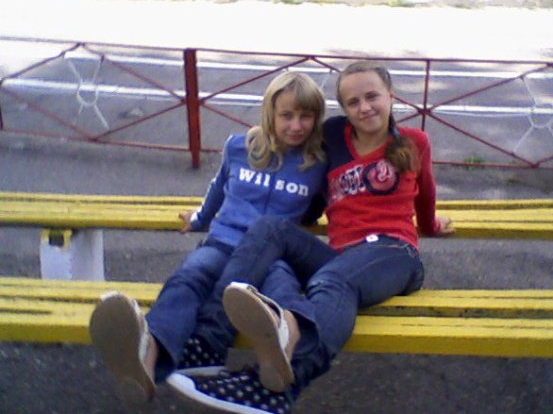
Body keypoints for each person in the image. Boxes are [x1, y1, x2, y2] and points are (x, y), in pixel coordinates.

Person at [167, 60, 455, 413]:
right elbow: (305, 175)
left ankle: (275, 389)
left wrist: (432, 225)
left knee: (332, 282)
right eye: (353, 102)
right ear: (344, 109)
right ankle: (208, 342)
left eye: (372, 97)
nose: (365, 107)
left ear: (391, 97)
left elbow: (426, 195)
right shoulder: (333, 136)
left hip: (393, 253)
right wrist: (206, 214)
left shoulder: (414, 142)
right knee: (270, 227)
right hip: (342, 258)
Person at [88, 71, 328, 404]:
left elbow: (322, 205)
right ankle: (148, 353)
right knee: (190, 277)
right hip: (224, 242)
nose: (296, 125)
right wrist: (199, 219)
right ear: (270, 113)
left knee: (281, 290)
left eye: (306, 116)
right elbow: (217, 190)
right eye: (287, 115)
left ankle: (279, 356)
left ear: (317, 118)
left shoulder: (318, 164)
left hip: (273, 253)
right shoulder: (239, 147)